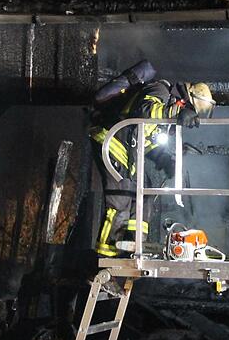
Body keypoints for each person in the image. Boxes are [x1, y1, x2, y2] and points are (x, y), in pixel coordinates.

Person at [89, 78, 215, 257]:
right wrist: (175, 112)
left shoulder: (170, 106)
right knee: (121, 198)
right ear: (188, 100)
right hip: (111, 140)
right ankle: (104, 255)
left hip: (127, 150)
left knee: (145, 195)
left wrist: (164, 160)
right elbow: (145, 110)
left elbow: (147, 139)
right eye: (192, 111)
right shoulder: (161, 90)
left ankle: (135, 245)